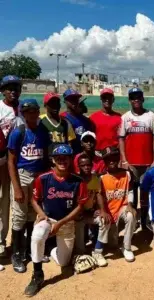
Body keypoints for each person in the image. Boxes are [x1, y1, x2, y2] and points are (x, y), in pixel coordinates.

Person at [24, 144, 88, 296]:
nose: (62, 161)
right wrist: (41, 213)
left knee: (63, 263)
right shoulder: (43, 178)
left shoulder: (78, 181)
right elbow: (34, 199)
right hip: (49, 219)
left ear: (70, 160)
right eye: (58, 158)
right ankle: (38, 274)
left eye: (65, 158)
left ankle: (50, 248)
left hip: (66, 223)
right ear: (53, 160)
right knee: (38, 234)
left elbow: (80, 206)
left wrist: (60, 224)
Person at [8, 99, 50, 273]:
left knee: (33, 215)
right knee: (19, 215)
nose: (32, 114)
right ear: (23, 114)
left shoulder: (43, 131)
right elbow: (11, 161)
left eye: (34, 111)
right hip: (22, 175)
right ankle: (17, 253)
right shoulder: (19, 132)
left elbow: (46, 156)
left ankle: (31, 250)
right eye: (28, 111)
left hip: (38, 176)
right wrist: (16, 187)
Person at [119, 87, 154, 209]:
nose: (135, 100)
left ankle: (145, 219)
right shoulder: (125, 117)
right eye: (132, 98)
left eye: (138, 97)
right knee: (132, 190)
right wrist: (124, 160)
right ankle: (134, 215)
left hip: (148, 163)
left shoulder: (151, 116)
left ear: (143, 99)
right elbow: (121, 139)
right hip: (131, 163)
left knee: (146, 190)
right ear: (129, 100)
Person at [96, 146, 137, 262]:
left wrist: (130, 203)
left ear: (118, 158)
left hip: (121, 210)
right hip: (109, 214)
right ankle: (102, 247)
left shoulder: (127, 174)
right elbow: (98, 196)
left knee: (130, 214)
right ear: (104, 161)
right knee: (112, 245)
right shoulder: (101, 177)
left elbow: (130, 190)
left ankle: (127, 247)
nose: (111, 161)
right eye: (108, 159)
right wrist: (102, 211)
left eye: (114, 157)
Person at [0, 75, 24, 257]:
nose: (13, 91)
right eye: (9, 87)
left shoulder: (24, 108)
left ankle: (18, 241)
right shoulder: (0, 108)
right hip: (1, 161)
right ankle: (0, 243)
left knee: (18, 201)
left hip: (20, 162)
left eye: (16, 87)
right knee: (2, 202)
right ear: (2, 91)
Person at [74, 154, 109, 267]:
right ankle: (80, 253)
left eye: (88, 165)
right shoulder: (75, 180)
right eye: (83, 165)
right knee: (78, 227)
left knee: (104, 220)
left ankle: (98, 252)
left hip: (91, 212)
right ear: (78, 166)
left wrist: (102, 210)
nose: (86, 167)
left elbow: (98, 194)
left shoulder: (95, 179)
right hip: (79, 215)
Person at [61, 89, 93, 154]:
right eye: (71, 99)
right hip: (68, 155)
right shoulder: (62, 118)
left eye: (76, 98)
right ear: (65, 101)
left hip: (83, 156)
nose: (74, 101)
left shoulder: (85, 120)